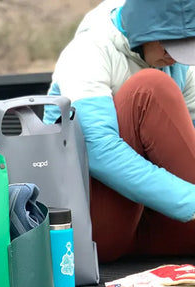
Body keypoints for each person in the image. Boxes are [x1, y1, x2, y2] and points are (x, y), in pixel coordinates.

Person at [45, 0, 195, 262]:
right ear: (144, 29)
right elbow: (98, 149)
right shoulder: (89, 50)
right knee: (151, 87)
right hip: (92, 228)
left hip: (155, 222)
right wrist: (189, 200)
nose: (174, 56)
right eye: (168, 44)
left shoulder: (177, 65)